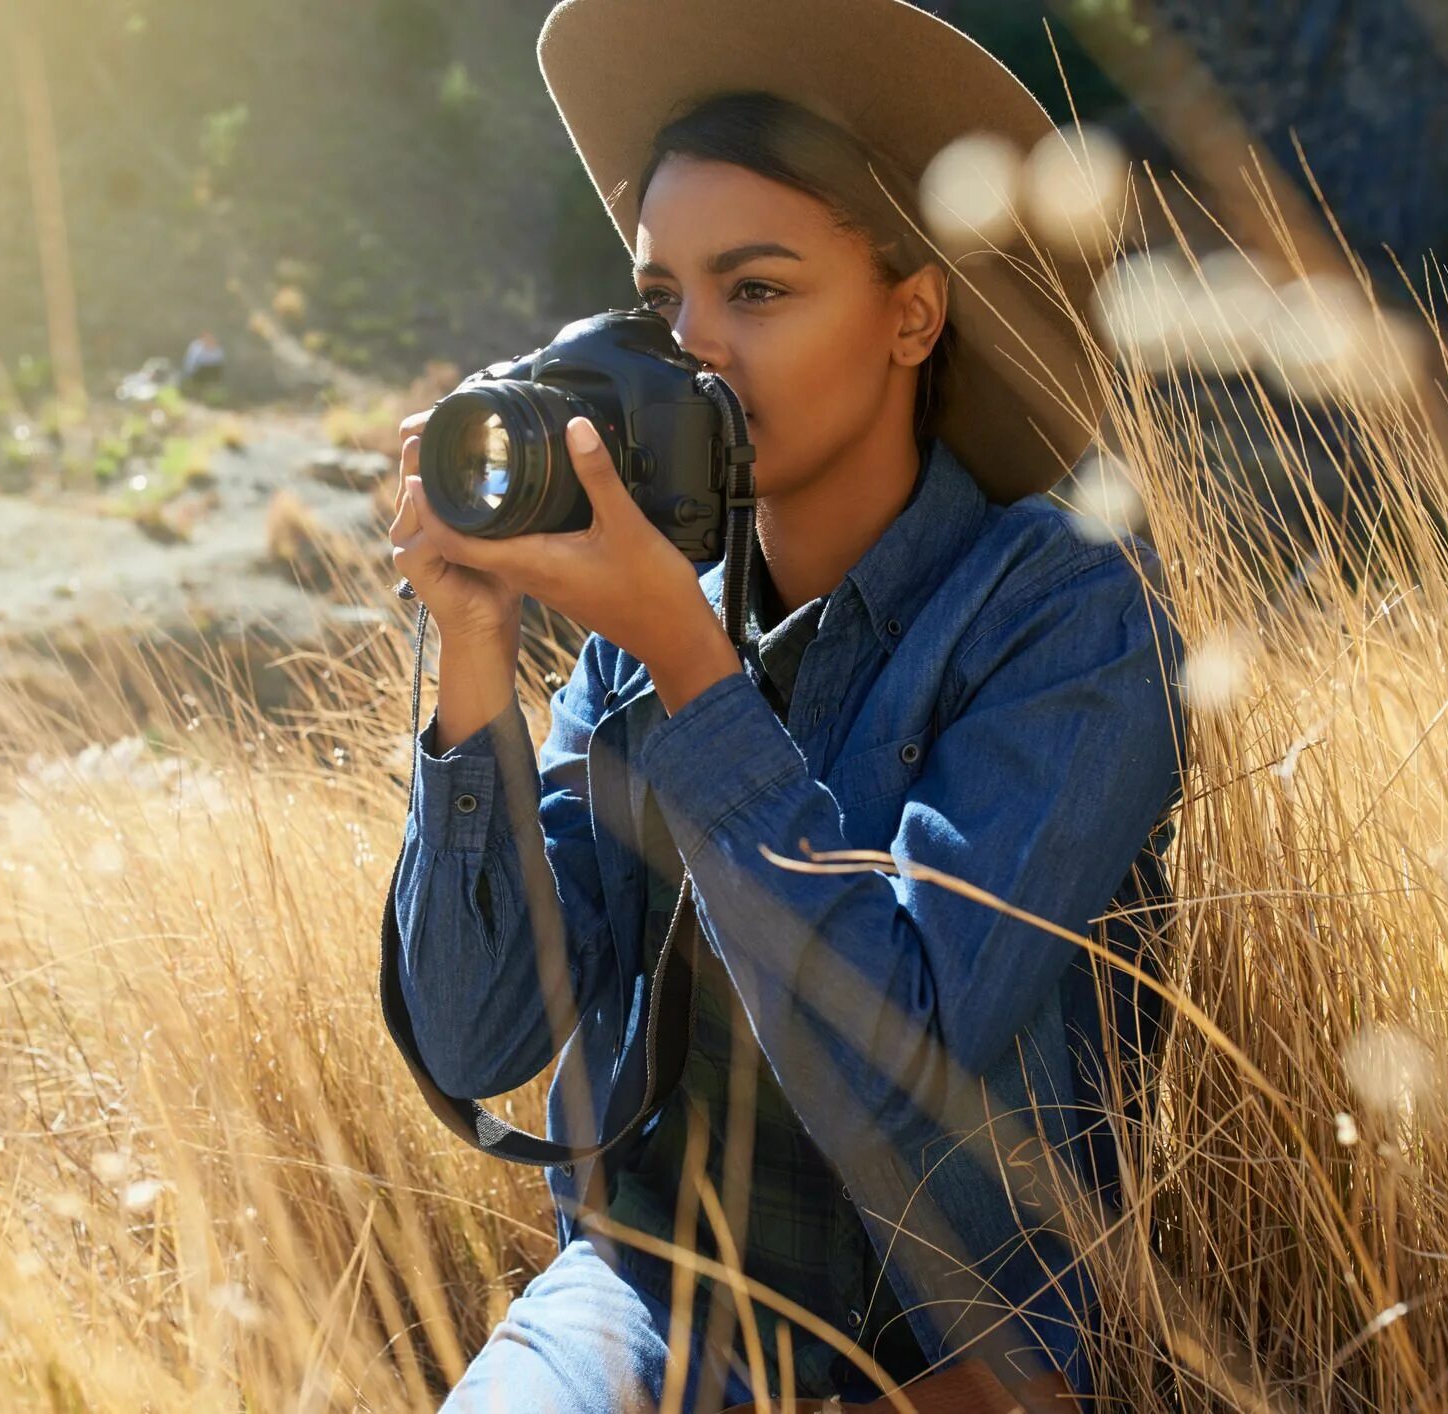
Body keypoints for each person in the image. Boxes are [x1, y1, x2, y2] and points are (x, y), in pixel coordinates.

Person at [385, 2, 1186, 1409]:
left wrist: (693, 669)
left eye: (755, 291)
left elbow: (902, 1077)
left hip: (962, 1349)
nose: (694, 347)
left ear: (912, 315)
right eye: (662, 299)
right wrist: (469, 646)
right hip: (653, 1292)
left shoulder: (1067, 613)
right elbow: (476, 1038)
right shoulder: (648, 629)